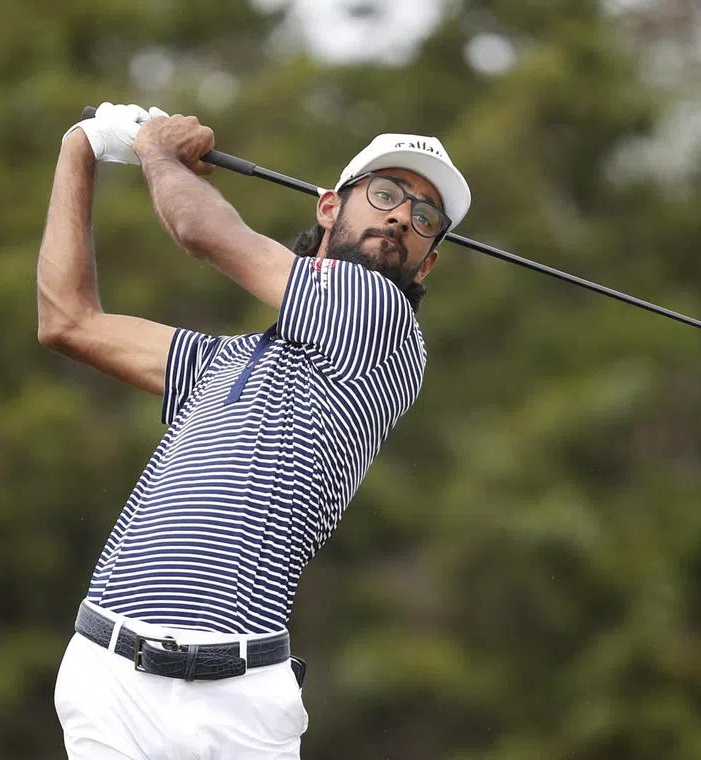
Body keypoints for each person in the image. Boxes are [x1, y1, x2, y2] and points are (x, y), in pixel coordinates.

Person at [36, 102, 472, 759]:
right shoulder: (228, 361)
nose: (401, 218)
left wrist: (154, 148)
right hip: (110, 675)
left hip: (235, 705)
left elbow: (200, 231)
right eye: (385, 193)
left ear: (427, 264)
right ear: (329, 207)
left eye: (426, 217)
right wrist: (82, 146)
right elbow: (68, 321)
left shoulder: (380, 319)